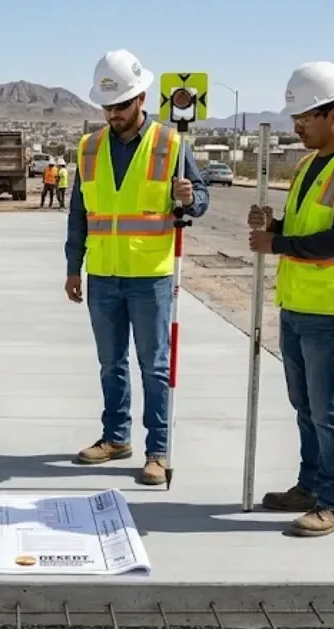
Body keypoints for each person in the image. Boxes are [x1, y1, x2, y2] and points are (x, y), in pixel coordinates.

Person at [64, 49, 209, 485]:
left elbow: (200, 200)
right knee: (111, 364)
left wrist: (188, 198)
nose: (114, 114)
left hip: (151, 277)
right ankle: (115, 437)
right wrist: (74, 267)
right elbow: (79, 214)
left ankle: (158, 451)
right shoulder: (88, 149)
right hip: (103, 277)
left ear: (141, 98)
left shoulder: (170, 144)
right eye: (107, 107)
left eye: (121, 105)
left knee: (155, 366)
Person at [248, 61, 334, 536]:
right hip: (298, 305)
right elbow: (305, 230)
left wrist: (276, 245)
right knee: (304, 405)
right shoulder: (307, 165)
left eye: (305, 117)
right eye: (295, 117)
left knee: (328, 409)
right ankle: (310, 485)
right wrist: (275, 227)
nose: (297, 125)